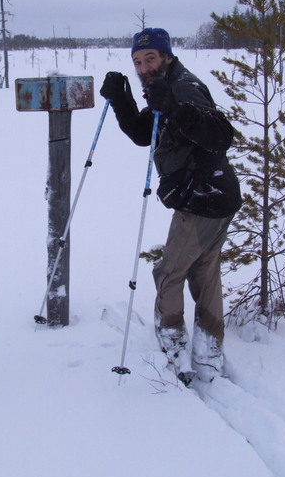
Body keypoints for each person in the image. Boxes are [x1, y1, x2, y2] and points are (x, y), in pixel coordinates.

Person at [99, 27, 242, 383]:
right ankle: (209, 354)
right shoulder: (164, 84)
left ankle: (173, 350)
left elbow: (221, 136)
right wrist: (122, 100)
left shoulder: (184, 87)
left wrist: (175, 108)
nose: (144, 67)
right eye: (137, 62)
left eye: (150, 58)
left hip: (204, 198)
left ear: (166, 55)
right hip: (214, 196)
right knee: (203, 273)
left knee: (168, 273)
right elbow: (145, 132)